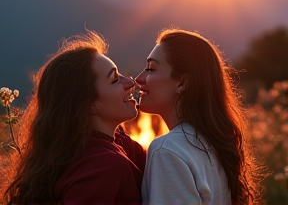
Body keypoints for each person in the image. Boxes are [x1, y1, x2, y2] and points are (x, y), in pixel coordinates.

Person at [2, 29, 145, 205]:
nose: (131, 82)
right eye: (115, 80)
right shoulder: (104, 166)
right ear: (89, 103)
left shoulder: (80, 149)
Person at [135, 28, 262, 205]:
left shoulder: (167, 150)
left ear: (182, 83)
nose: (138, 78)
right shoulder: (213, 144)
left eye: (151, 68)